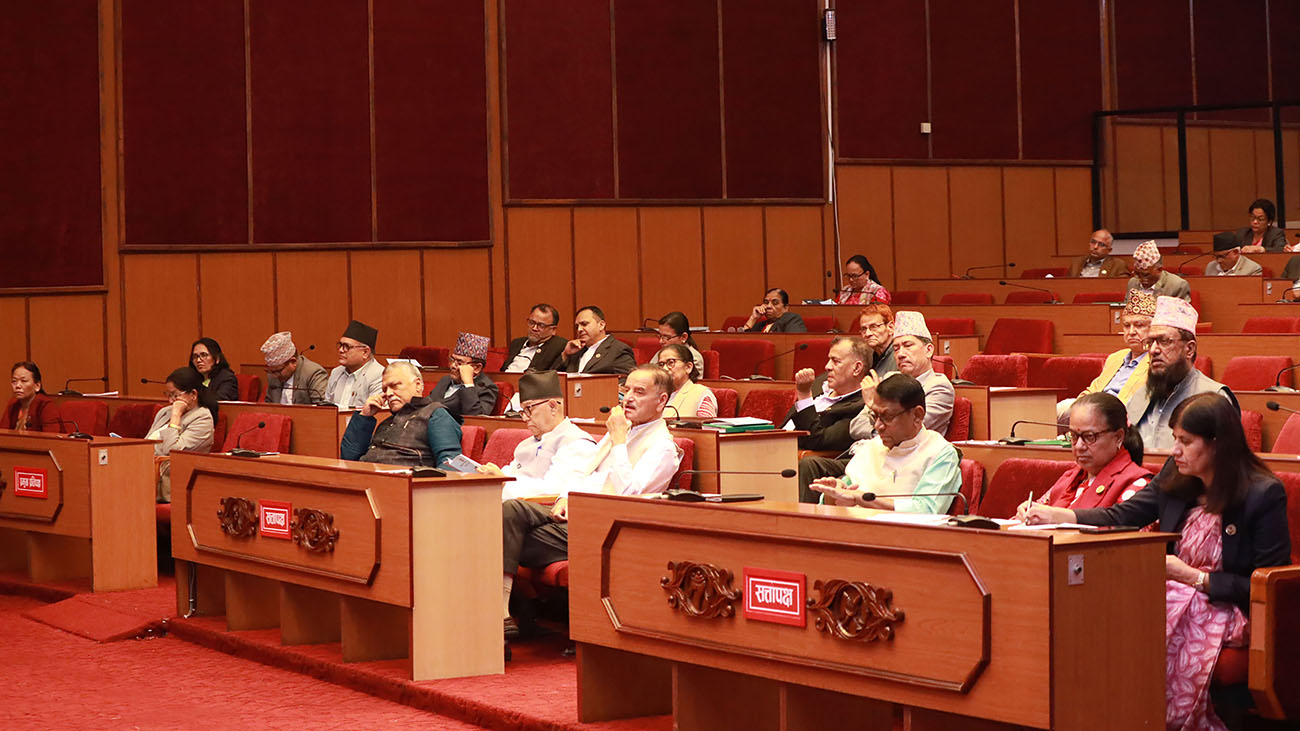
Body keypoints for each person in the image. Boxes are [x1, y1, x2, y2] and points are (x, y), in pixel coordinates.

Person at [1019, 393, 1291, 730]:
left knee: (1131, 626)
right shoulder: (1177, 474)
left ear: (1217, 444)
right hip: (1171, 594)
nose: (1174, 450)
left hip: (1225, 608)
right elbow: (1123, 515)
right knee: (1096, 614)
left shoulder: (1262, 494)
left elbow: (1270, 586)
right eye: (1174, 438)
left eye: (1185, 442)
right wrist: (1058, 515)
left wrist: (1196, 578)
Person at [499, 365, 681, 637]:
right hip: (576, 515)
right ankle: (508, 611)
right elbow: (586, 474)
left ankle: (503, 611)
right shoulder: (621, 431)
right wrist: (565, 497)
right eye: (627, 390)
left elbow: (629, 494)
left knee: (499, 528)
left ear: (662, 400)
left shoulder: (662, 447)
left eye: (640, 392)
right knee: (510, 511)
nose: (629, 398)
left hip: (607, 529)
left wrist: (619, 442)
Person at [798, 312, 955, 502]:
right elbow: (856, 426)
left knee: (832, 479)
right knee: (811, 467)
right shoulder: (889, 379)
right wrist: (881, 426)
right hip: (870, 456)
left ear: (929, 350)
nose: (900, 354)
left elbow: (910, 430)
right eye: (896, 348)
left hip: (907, 462)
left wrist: (873, 409)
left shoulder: (938, 386)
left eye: (908, 346)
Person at [810, 373, 961, 514]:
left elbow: (926, 510)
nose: (877, 426)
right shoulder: (872, 446)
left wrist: (862, 499)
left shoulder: (940, 453)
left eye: (886, 417)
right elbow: (844, 493)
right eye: (875, 416)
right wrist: (832, 494)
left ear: (917, 415)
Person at [1127, 296, 1237, 451]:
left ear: (1189, 349)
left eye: (1164, 341)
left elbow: (1226, 459)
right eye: (1150, 342)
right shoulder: (1141, 394)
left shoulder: (1214, 398)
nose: (1153, 350)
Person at [475, 372, 599, 500]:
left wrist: (504, 482)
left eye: (529, 409)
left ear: (552, 406)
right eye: (522, 411)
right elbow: (511, 472)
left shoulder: (577, 443)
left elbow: (555, 489)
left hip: (536, 509)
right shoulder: (526, 443)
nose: (525, 418)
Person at [1037, 393, 1152, 510]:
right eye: (1073, 435)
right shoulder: (1071, 478)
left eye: (1089, 436)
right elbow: (1039, 510)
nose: (1079, 446)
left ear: (1118, 437)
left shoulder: (1137, 484)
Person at [339, 361, 462, 468]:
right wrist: (364, 417)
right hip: (367, 479)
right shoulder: (386, 423)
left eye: (394, 386)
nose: (388, 393)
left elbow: (451, 463)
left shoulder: (435, 414)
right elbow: (348, 458)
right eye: (384, 389)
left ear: (418, 385)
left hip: (405, 483)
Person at [1056, 290, 1155, 419]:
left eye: (1139, 325)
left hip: (1120, 414)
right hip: (1094, 406)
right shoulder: (1116, 357)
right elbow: (1092, 390)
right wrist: (1082, 406)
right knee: (1055, 409)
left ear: (1153, 328)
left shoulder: (1156, 360)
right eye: (1126, 325)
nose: (1131, 332)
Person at [782, 336, 869, 458]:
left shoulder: (860, 405)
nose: (827, 366)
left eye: (836, 361)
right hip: (772, 446)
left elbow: (818, 441)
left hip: (793, 457)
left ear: (857, 368)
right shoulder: (819, 383)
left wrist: (805, 396)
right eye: (829, 360)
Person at [148, 366, 217, 503]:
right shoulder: (164, 412)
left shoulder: (202, 419)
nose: (170, 401)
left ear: (193, 394)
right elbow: (147, 442)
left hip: (171, 482)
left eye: (175, 395)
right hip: (146, 468)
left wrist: (176, 416)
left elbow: (171, 451)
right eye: (168, 395)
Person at [425, 332, 499, 420]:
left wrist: (468, 384)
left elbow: (477, 418)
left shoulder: (486, 388)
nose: (452, 366)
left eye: (459, 363)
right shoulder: (446, 379)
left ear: (477, 368)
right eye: (452, 360)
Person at [324, 320, 384, 409]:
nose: (341, 350)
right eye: (340, 345)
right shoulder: (336, 373)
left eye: (347, 346)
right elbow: (326, 408)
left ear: (365, 352)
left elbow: (376, 412)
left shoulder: (379, 375)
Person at [562, 305, 636, 375]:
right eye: (577, 327)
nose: (579, 329)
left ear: (601, 325)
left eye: (584, 324)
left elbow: (627, 380)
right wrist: (565, 354)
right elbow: (558, 378)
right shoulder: (576, 350)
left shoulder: (618, 350)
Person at [260, 331, 327, 405]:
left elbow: (321, 408)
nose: (275, 375)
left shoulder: (313, 374)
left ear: (293, 362)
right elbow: (269, 404)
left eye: (278, 371)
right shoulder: (272, 375)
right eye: (271, 371)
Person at [658, 343, 717, 418]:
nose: (665, 368)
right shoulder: (655, 394)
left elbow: (705, 424)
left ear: (688, 367)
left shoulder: (701, 394)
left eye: (671, 362)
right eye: (661, 364)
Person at [503, 304, 566, 373]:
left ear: (553, 330)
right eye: (532, 322)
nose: (534, 328)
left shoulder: (559, 346)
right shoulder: (517, 343)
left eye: (541, 325)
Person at [1127, 241, 1191, 302]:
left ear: (1159, 269)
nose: (1141, 279)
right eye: (1137, 274)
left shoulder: (1177, 285)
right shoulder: (1132, 283)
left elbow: (1182, 309)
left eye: (1145, 275)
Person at [5, 362, 57, 432]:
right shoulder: (13, 404)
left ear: (37, 386)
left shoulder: (46, 405)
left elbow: (51, 436)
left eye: (23, 381)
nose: (17, 386)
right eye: (14, 381)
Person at [648, 311, 704, 376]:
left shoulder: (694, 358)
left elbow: (692, 381)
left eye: (667, 337)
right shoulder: (661, 353)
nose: (661, 341)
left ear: (684, 337)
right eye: (660, 336)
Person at [190, 337, 238, 401]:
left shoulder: (227, 379)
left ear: (217, 358)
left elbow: (219, 402)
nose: (198, 360)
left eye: (204, 355)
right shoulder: (192, 379)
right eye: (195, 356)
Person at [858, 303, 897, 376]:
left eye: (874, 327)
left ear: (890, 327)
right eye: (864, 329)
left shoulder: (899, 357)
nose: (867, 334)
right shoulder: (867, 356)